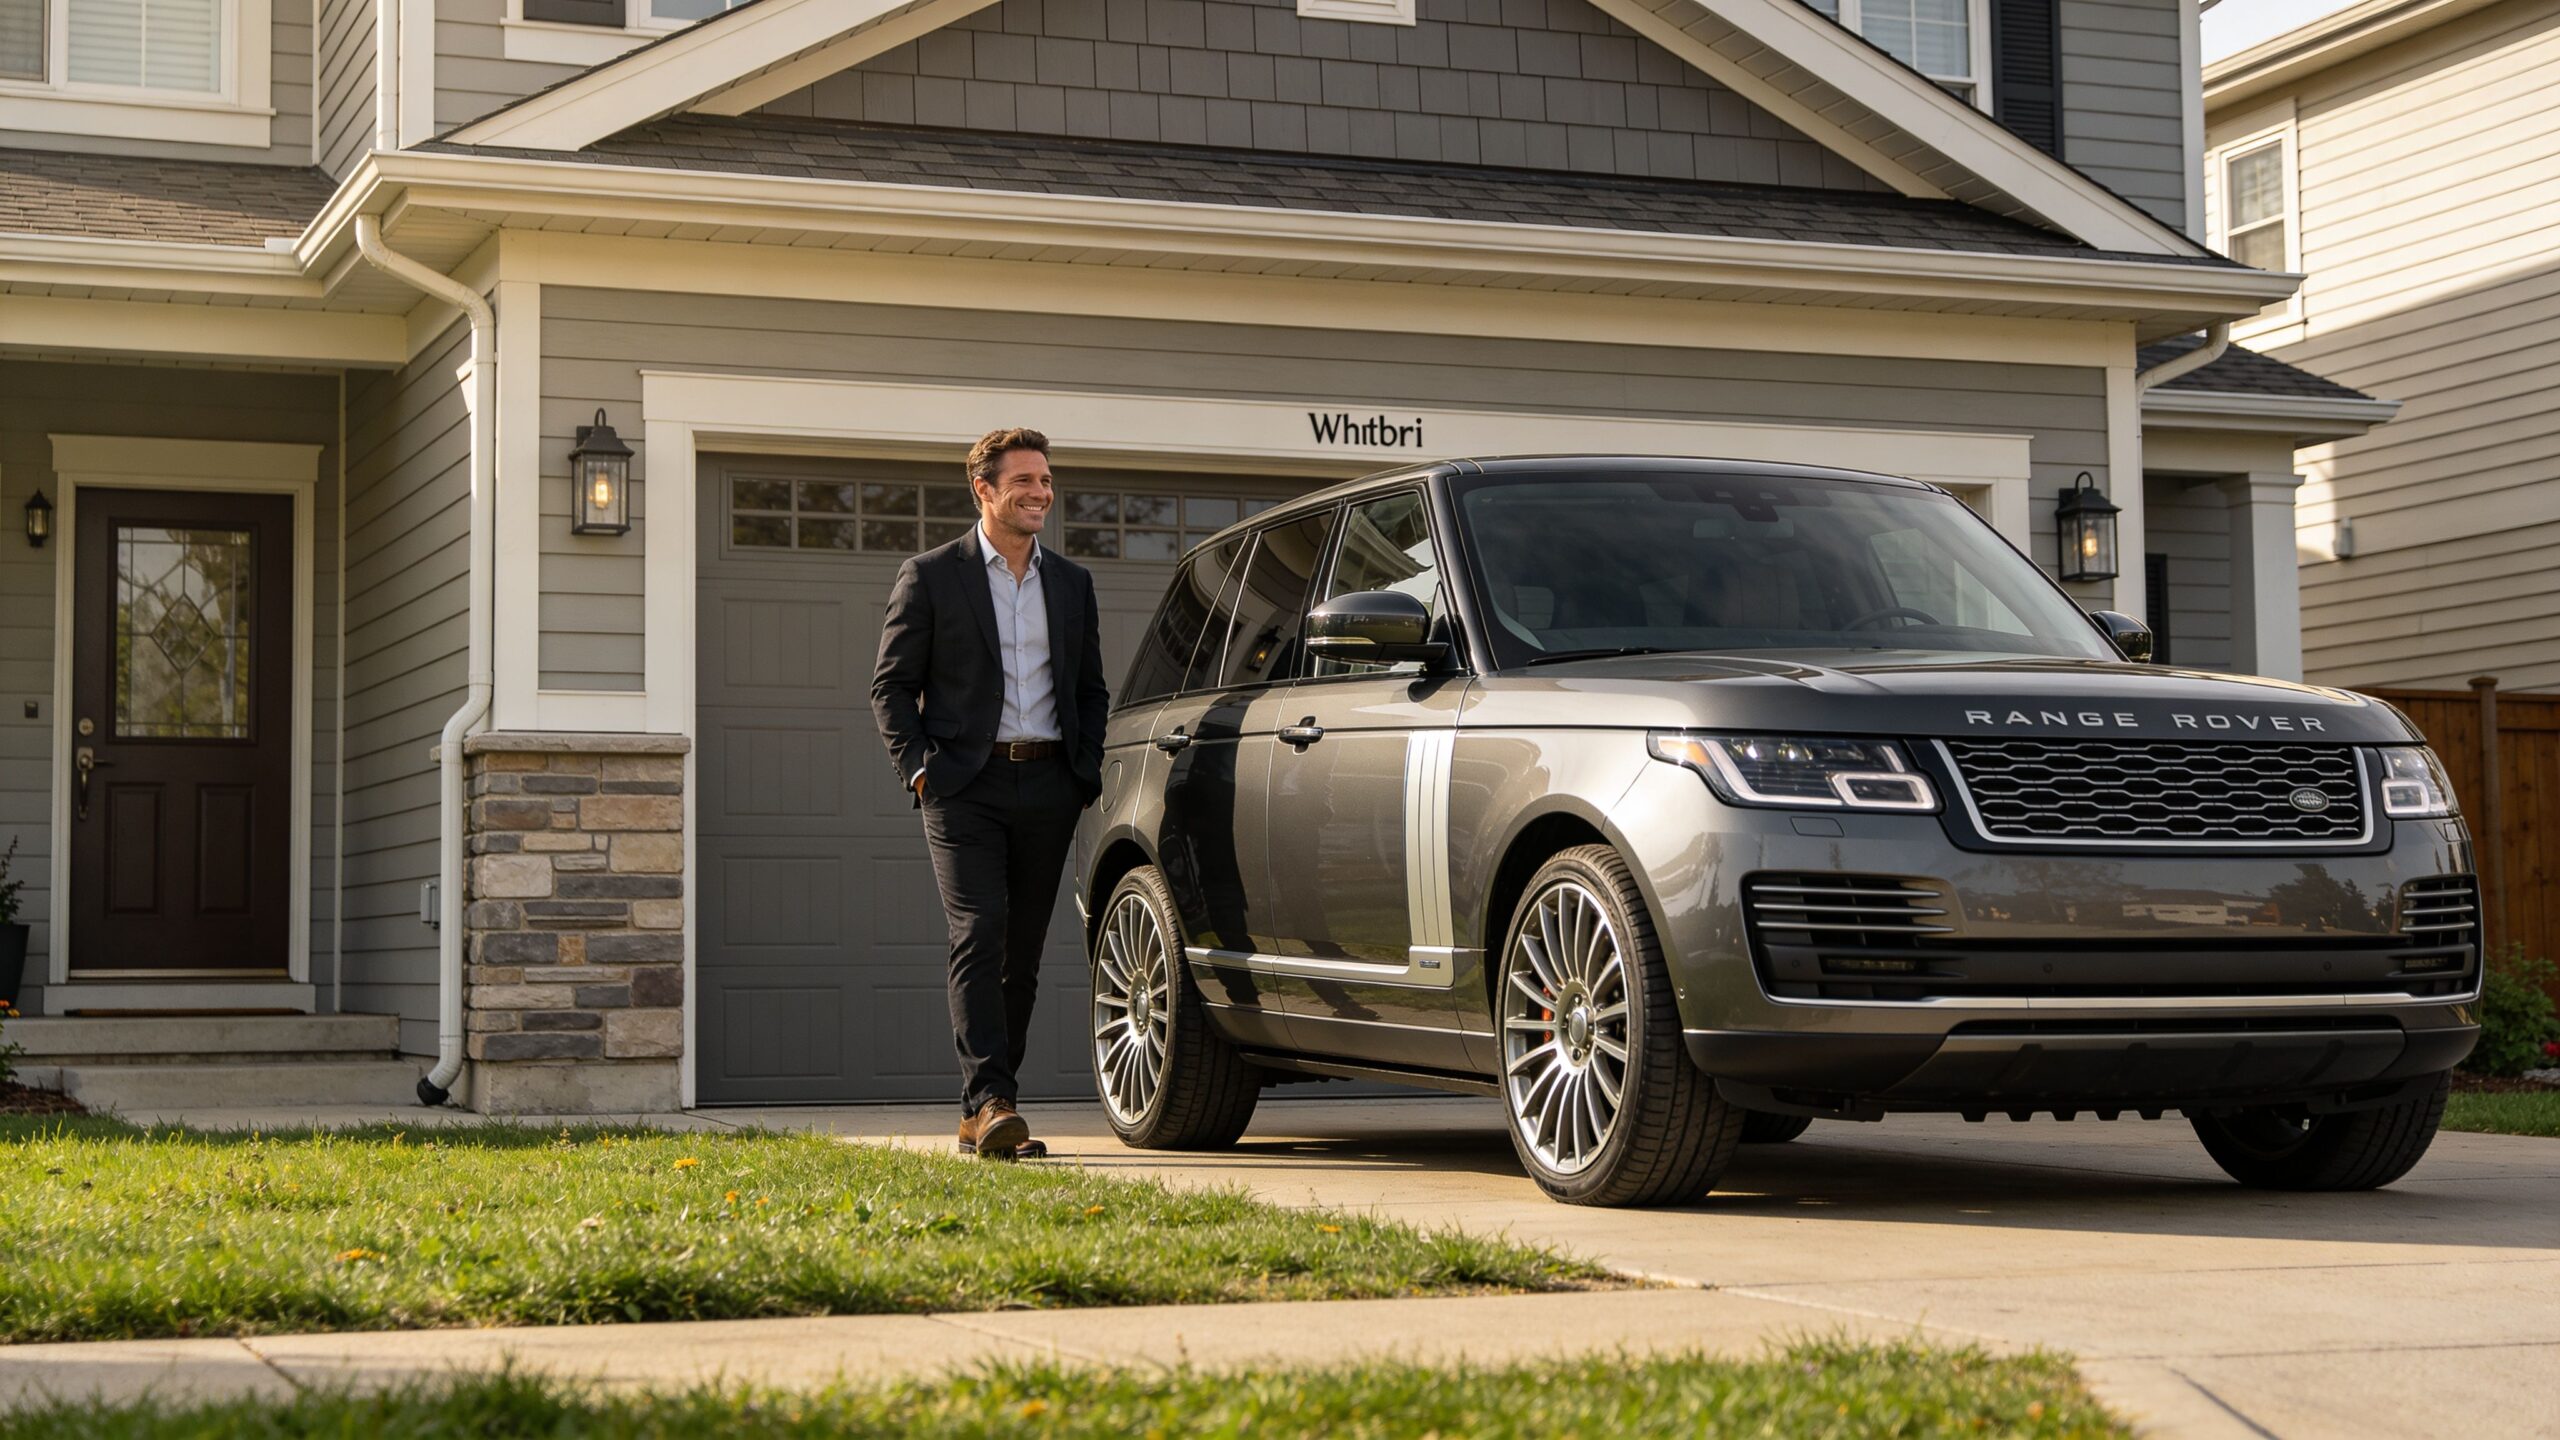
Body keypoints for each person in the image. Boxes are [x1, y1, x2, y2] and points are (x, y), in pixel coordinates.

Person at [870, 427, 1108, 1160]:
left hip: (1049, 782)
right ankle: (993, 1102)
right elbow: (890, 686)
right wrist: (918, 769)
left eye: (1046, 480)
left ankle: (985, 1109)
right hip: (963, 786)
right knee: (979, 931)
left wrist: (1083, 771)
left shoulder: (1071, 583)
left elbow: (1089, 688)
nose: (1041, 493)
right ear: (985, 491)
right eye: (1025, 482)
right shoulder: (932, 574)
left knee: (1023, 952)